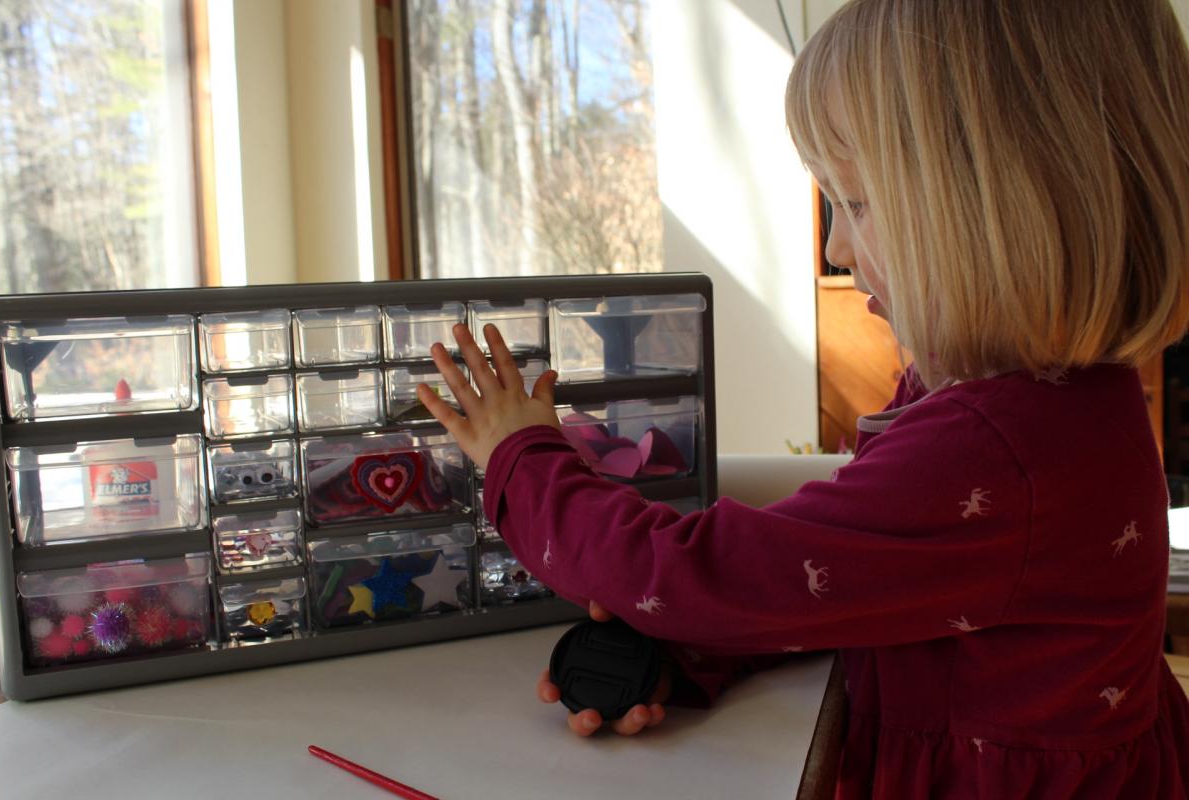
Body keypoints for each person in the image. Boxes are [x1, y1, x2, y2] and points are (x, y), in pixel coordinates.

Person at [418, 0, 1189, 795]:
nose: (834, 246)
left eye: (855, 203)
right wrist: (694, 656)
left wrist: (522, 455)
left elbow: (700, 575)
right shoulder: (1061, 399)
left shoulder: (995, 446)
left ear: (1004, 209)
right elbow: (858, 578)